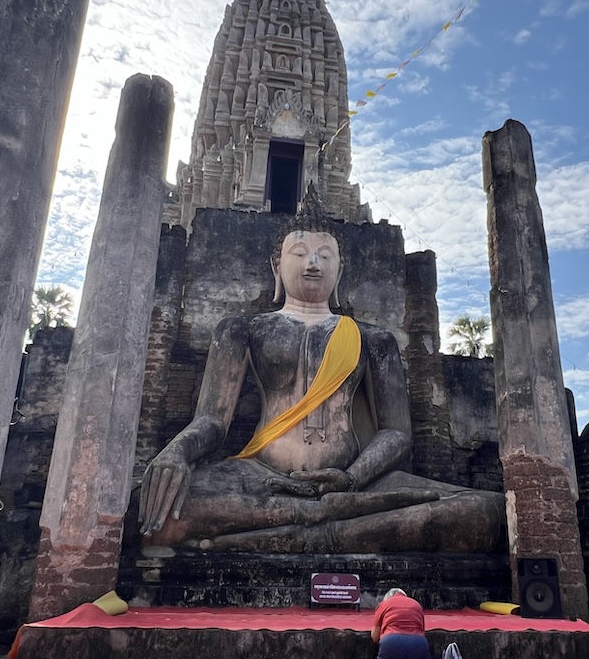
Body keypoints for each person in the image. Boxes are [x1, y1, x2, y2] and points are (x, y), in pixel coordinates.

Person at [138, 189, 505, 554]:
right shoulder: (242, 330)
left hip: (355, 484)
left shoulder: (372, 339)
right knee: (148, 508)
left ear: (340, 269)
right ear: (275, 266)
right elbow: (213, 421)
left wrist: (350, 478)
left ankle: (301, 532)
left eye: (324, 255)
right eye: (299, 254)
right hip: (261, 477)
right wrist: (176, 453)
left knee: (486, 512)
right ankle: (323, 523)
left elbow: (396, 432)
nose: (313, 262)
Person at [371, 588, 431, 659]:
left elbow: (374, 637)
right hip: (418, 643)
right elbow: (422, 632)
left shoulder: (384, 605)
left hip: (392, 641)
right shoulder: (416, 605)